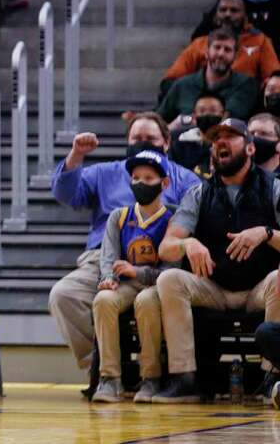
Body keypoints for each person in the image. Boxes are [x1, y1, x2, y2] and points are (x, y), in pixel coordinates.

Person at [47, 114, 200, 393]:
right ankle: (102, 365)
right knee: (62, 296)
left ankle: (155, 371)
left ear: (166, 142)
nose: (143, 143)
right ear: (127, 143)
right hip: (103, 257)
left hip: (158, 261)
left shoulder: (185, 179)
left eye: (151, 139)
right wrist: (76, 155)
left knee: (160, 293)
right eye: (136, 139)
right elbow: (65, 193)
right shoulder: (105, 172)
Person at [153, 119, 280, 402]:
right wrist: (188, 243)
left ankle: (272, 379)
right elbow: (166, 247)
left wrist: (266, 233)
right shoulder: (198, 193)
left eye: (230, 136)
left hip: (260, 287)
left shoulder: (273, 188)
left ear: (249, 148)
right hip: (216, 288)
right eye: (216, 138)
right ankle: (184, 379)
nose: (220, 142)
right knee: (170, 279)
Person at [90, 149, 174, 403]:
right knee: (103, 299)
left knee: (146, 302)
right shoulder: (120, 216)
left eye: (148, 179)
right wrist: (108, 278)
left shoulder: (173, 218)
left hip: (157, 285)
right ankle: (109, 378)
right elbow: (108, 256)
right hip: (125, 284)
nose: (140, 183)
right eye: (136, 178)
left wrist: (136, 271)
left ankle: (151, 377)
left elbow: (172, 269)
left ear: (164, 183)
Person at [162, 0, 279, 90]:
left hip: (247, 100)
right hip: (204, 103)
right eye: (223, 10)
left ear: (245, 16)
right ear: (215, 16)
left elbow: (273, 76)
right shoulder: (199, 43)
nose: (228, 14)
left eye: (234, 10)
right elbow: (171, 79)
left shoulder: (260, 40)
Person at [157, 27, 257, 123]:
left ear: (235, 56)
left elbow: (230, 118)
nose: (221, 54)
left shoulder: (245, 85)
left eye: (227, 49)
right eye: (217, 47)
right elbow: (159, 120)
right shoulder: (182, 85)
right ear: (206, 52)